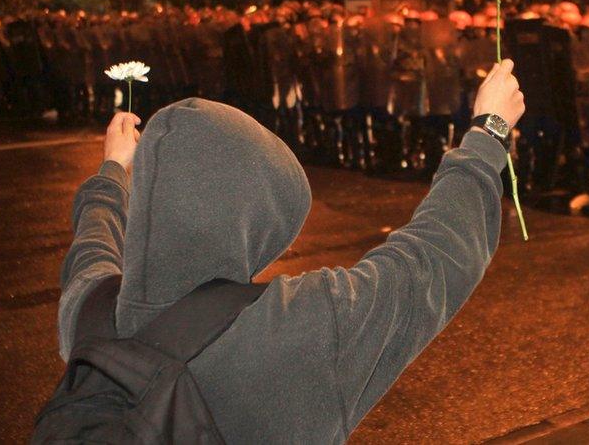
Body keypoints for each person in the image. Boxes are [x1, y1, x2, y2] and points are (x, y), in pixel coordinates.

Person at [55, 60, 524, 442]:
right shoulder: (304, 323)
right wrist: (488, 133)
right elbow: (433, 259)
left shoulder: (90, 314)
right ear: (257, 218)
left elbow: (92, 246)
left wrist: (113, 171)